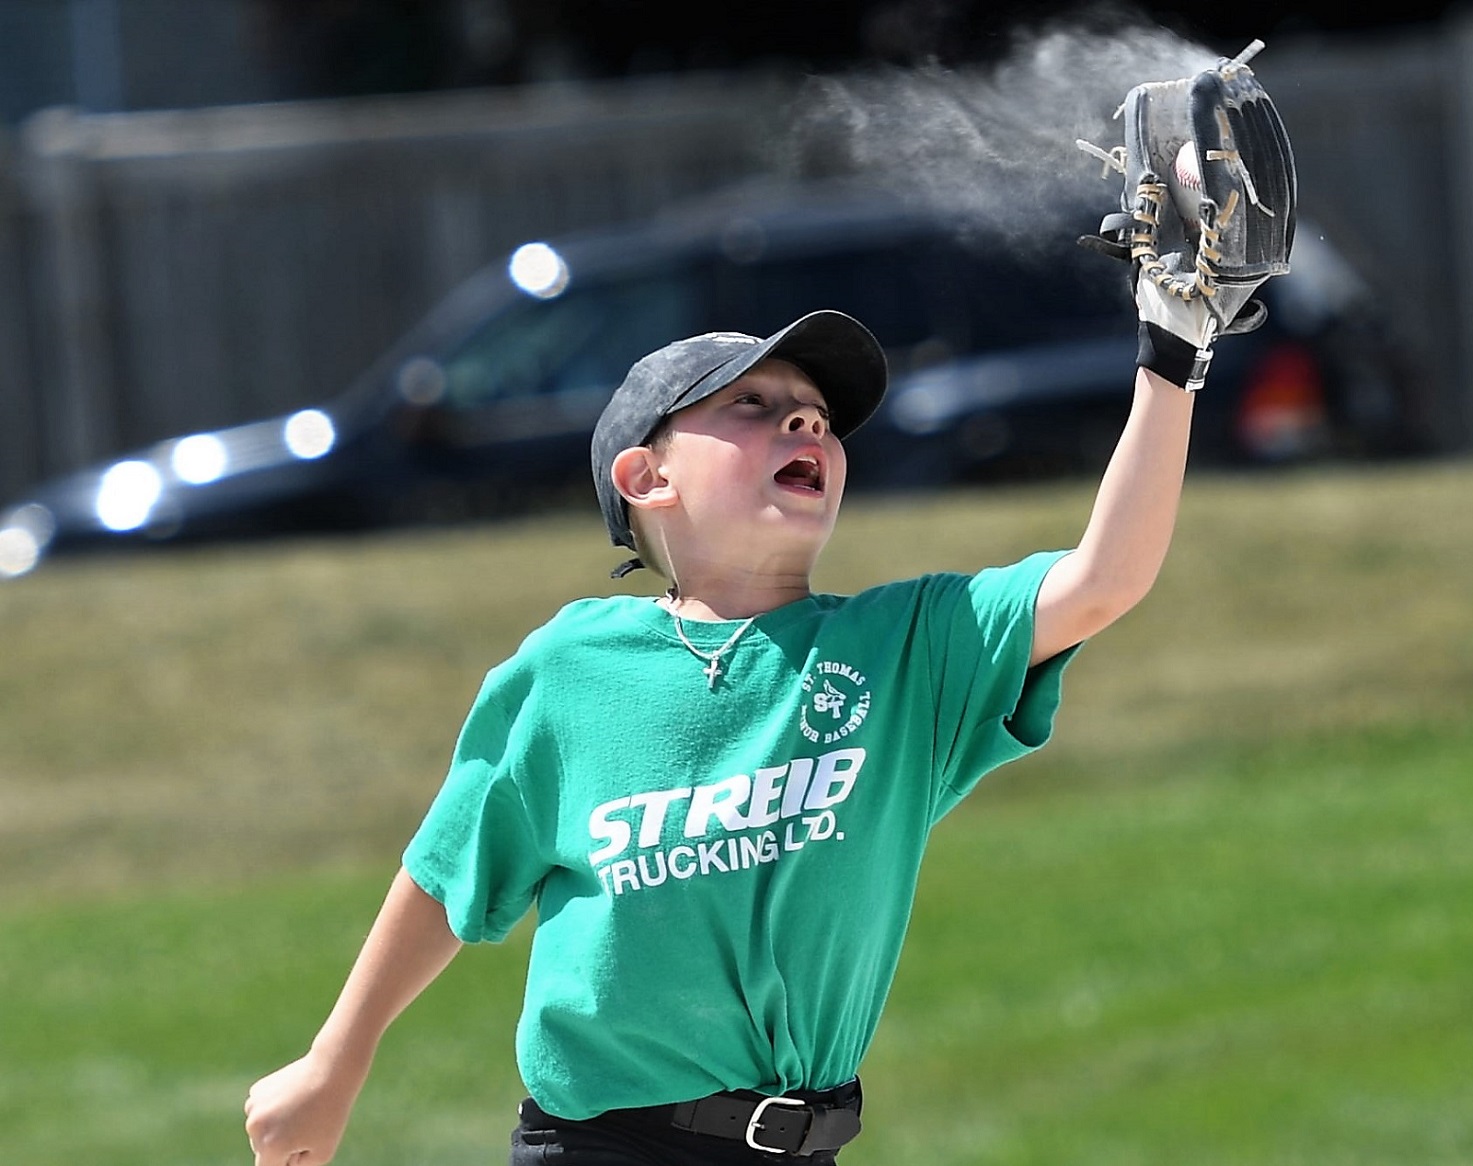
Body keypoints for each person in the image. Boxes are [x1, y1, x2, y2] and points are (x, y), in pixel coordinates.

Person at [244, 63, 1292, 1160]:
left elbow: (1103, 577)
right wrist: (336, 1057)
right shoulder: (569, 671)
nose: (804, 426)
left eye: (815, 417)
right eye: (753, 406)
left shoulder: (901, 650)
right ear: (647, 478)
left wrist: (1167, 354)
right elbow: (448, 866)